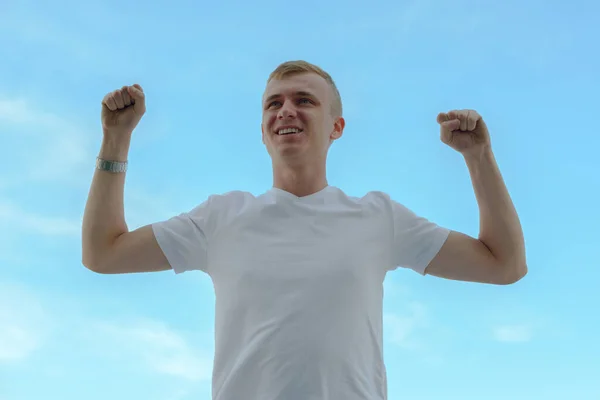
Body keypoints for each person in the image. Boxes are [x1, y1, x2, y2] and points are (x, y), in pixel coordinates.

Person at [82, 60, 527, 400]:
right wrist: (115, 137)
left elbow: (504, 263)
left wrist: (478, 156)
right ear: (262, 131)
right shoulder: (220, 218)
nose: (286, 110)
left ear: (336, 127)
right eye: (273, 103)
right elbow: (103, 254)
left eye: (304, 100)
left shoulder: (379, 218)